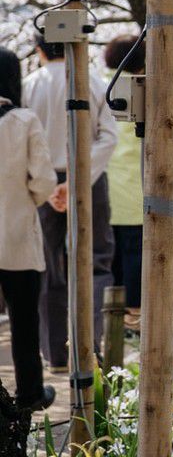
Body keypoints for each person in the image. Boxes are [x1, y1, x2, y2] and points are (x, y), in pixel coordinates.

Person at [24, 34, 117, 374]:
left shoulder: (28, 85)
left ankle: (55, 354)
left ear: (38, 50)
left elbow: (24, 139)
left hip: (41, 183)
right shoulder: (93, 81)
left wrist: (48, 184)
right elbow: (109, 136)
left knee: (48, 265)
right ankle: (92, 348)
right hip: (89, 179)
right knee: (97, 262)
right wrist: (76, 180)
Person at [0, 46, 57, 411]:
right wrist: (27, 200)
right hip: (17, 237)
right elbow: (44, 181)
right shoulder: (23, 121)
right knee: (23, 320)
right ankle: (30, 394)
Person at [102, 36, 145, 330]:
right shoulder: (144, 86)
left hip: (103, 183)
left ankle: (111, 315)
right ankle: (134, 316)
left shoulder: (93, 84)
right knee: (134, 254)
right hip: (134, 183)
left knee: (109, 254)